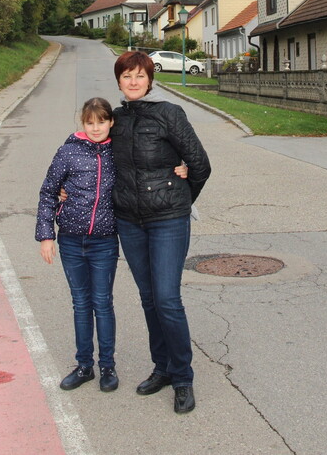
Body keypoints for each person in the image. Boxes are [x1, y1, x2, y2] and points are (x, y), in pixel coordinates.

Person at [110, 51, 211, 414]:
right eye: (127, 76)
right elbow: (97, 163)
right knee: (149, 297)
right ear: (119, 81)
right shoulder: (115, 120)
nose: (133, 82)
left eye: (140, 76)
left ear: (150, 79)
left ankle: (183, 378)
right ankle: (162, 368)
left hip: (168, 219)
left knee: (168, 298)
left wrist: (181, 198)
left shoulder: (170, 114)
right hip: (129, 222)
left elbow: (199, 163)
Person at [35, 97, 120, 393]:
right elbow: (48, 192)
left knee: (102, 303)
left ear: (111, 122)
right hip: (71, 241)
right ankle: (84, 365)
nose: (96, 128)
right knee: (81, 304)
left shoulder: (118, 152)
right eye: (90, 122)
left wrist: (181, 167)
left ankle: (107, 365)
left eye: (102, 121)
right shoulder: (68, 152)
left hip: (105, 242)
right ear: (82, 123)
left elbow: (147, 168)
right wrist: (47, 235)